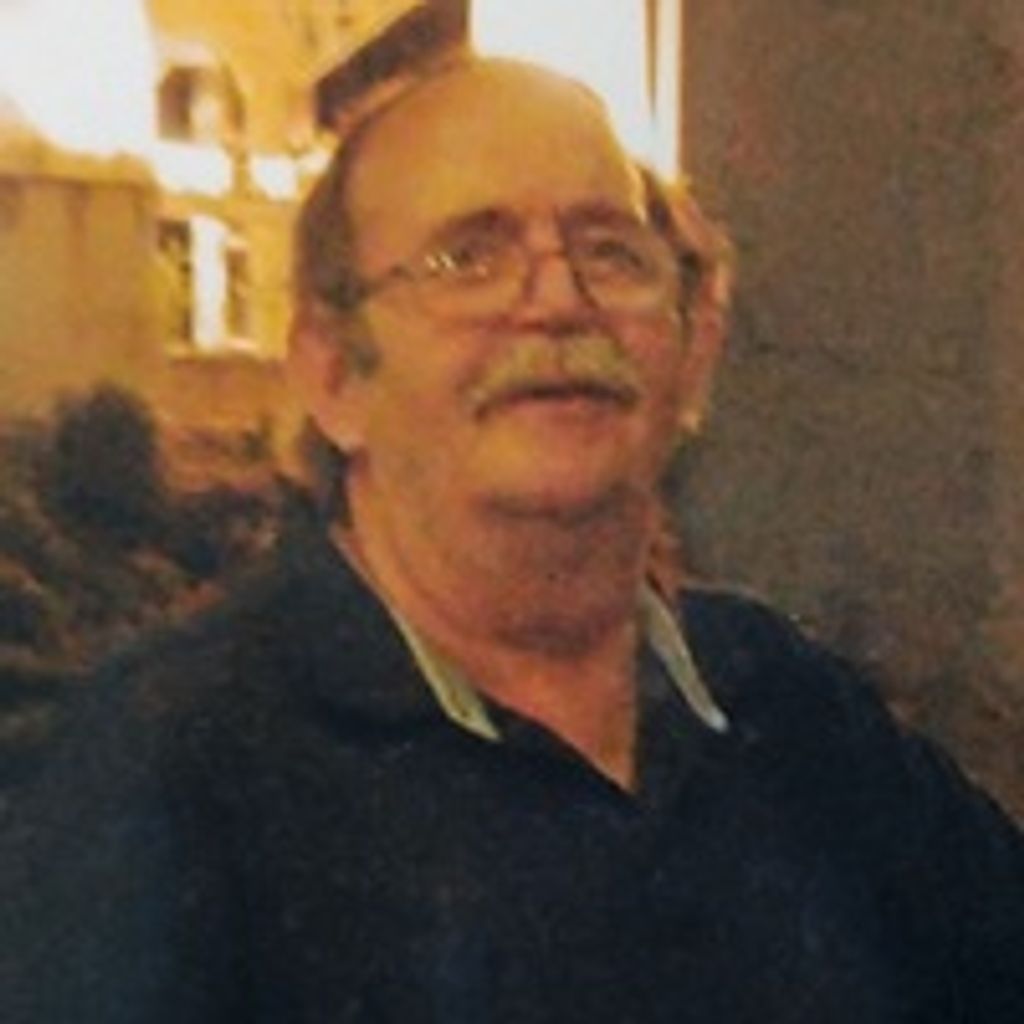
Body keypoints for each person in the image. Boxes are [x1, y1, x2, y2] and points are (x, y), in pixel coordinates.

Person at [3, 55, 1023, 1024]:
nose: (557, 301)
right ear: (333, 374)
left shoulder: (787, 709)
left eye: (609, 252)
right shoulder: (170, 768)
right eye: (468, 258)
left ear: (691, 355)